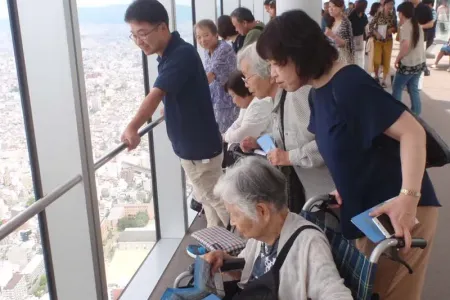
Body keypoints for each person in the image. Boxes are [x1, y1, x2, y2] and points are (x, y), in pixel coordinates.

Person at [256, 9, 440, 300]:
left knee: (393, 294)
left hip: (400, 210)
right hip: (369, 213)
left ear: (300, 54)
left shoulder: (349, 84)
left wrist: (408, 197)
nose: (273, 74)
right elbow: (352, 143)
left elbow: (412, 133)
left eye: (277, 63)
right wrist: (344, 184)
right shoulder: (319, 92)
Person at [121, 0, 229, 228]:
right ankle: (219, 248)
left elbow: (155, 94)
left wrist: (133, 127)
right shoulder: (174, 54)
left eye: (143, 33)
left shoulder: (180, 55)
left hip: (199, 150)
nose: (139, 41)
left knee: (218, 200)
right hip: (196, 147)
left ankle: (246, 245)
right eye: (134, 35)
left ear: (162, 27)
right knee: (209, 202)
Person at [204, 156, 353, 300]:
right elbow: (252, 274)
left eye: (234, 214)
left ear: (262, 211)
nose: (233, 222)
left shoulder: (309, 244)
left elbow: (335, 293)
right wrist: (226, 260)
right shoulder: (261, 237)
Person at [238, 43, 335, 207]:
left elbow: (331, 141)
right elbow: (288, 136)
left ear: (268, 72)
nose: (246, 84)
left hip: (334, 196)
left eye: (247, 77)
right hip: (315, 197)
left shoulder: (298, 95)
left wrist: (288, 157)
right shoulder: (279, 100)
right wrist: (260, 141)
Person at [195, 19, 239, 135]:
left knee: (228, 138)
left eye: (206, 35)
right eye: (198, 37)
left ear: (216, 35)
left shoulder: (224, 49)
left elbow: (209, 77)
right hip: (216, 103)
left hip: (229, 103)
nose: (202, 40)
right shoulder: (207, 51)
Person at [392, 2, 427, 115]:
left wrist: (397, 58)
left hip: (409, 64)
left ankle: (396, 114)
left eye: (399, 13)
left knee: (397, 87)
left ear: (402, 14)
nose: (398, 16)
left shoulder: (406, 27)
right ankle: (416, 114)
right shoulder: (417, 24)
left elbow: (405, 46)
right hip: (420, 62)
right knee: (413, 89)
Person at [223, 70, 272, 145]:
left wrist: (225, 137)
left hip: (269, 149)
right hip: (265, 147)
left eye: (233, 96)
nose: (233, 101)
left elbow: (242, 134)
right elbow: (237, 124)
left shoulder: (260, 104)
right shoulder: (248, 104)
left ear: (241, 91)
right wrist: (226, 135)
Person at [368, 0, 397, 87]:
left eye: (392, 4)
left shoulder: (393, 15)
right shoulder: (378, 13)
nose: (390, 6)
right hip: (378, 41)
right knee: (376, 60)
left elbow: (396, 27)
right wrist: (376, 33)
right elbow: (371, 26)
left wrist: (391, 29)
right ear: (384, 5)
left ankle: (384, 80)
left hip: (388, 41)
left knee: (386, 61)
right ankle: (376, 76)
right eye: (389, 4)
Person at [326, 0, 355, 65]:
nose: (330, 9)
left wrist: (332, 35)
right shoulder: (331, 21)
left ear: (341, 7)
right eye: (329, 6)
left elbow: (346, 43)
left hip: (342, 58)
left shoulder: (345, 22)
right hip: (332, 57)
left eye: (334, 6)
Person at [410, 0, 435, 76]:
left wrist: (420, 27)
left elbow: (431, 24)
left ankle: (422, 69)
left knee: (419, 56)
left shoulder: (426, 8)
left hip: (421, 36)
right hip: (408, 36)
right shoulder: (407, 6)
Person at [348, 0, 369, 68]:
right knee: (353, 56)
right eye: (365, 6)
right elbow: (348, 25)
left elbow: (366, 24)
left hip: (360, 37)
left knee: (360, 56)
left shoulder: (363, 15)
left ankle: (359, 69)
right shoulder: (352, 14)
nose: (366, 8)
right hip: (352, 37)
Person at [365, 2, 382, 73]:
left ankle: (376, 75)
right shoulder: (369, 18)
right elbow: (368, 31)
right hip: (372, 41)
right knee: (370, 60)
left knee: (378, 60)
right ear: (376, 8)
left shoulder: (382, 18)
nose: (382, 8)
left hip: (380, 41)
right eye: (380, 7)